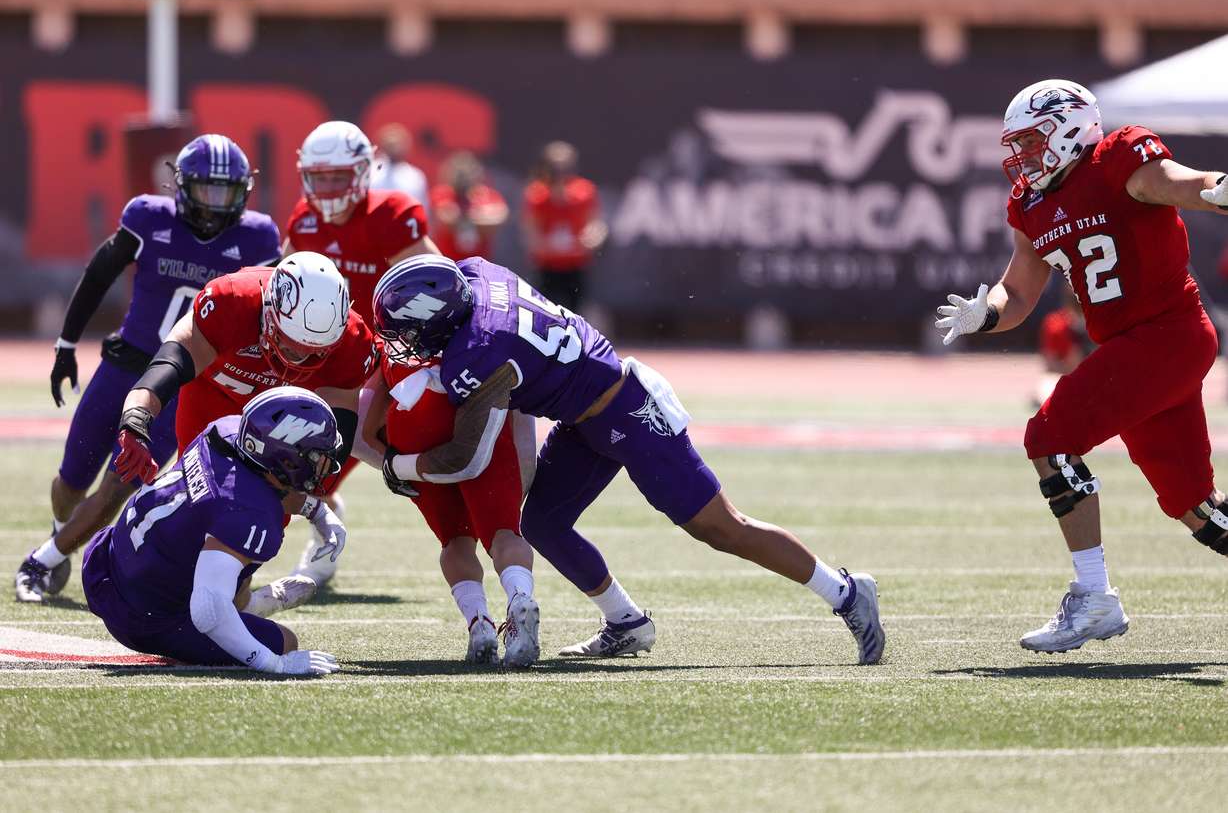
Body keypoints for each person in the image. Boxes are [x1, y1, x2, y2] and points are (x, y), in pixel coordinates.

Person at [372, 255, 885, 664]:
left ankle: (844, 590)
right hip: (582, 414)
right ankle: (627, 622)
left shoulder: (477, 352)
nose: (405, 346)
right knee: (544, 524)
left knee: (722, 527)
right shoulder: (478, 273)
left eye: (408, 332)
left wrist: (399, 467)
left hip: (629, 411)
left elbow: (466, 455)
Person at [935, 79, 1228, 654]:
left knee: (1049, 436)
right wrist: (985, 314)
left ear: (1070, 127)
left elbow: (1175, 183)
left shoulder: (1119, 158)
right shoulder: (1031, 203)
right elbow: (1017, 291)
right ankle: (1097, 597)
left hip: (1166, 334)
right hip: (1133, 349)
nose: (1024, 158)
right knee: (1195, 509)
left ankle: (1094, 598)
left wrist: (1215, 187)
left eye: (1033, 142)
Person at [16, 134, 280, 603]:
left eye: (226, 192)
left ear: (244, 192)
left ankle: (42, 560)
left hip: (182, 378)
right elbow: (99, 273)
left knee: (120, 484)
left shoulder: (257, 237)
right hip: (125, 365)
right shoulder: (148, 217)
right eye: (207, 190)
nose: (216, 204)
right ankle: (63, 530)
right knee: (73, 478)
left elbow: (274, 313)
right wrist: (65, 344)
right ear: (181, 186)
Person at [35, 252, 372, 618]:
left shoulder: (353, 342)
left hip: (283, 417)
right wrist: (136, 419)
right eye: (291, 344)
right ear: (271, 310)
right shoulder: (232, 300)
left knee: (259, 519)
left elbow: (337, 429)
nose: (297, 361)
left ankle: (244, 600)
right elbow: (167, 364)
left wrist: (312, 496)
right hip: (214, 396)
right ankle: (225, 604)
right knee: (199, 509)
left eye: (313, 353)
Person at [81, 387, 343, 674]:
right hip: (141, 615)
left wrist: (316, 511)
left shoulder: (227, 432)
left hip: (106, 560)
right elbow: (208, 611)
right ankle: (248, 609)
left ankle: (247, 606)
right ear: (286, 456)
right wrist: (274, 663)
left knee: (221, 550)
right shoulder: (248, 511)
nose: (323, 466)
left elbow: (265, 481)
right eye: (316, 457)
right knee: (284, 641)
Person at [286, 120, 441, 582]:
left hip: (388, 355)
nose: (329, 187)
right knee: (297, 454)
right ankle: (325, 511)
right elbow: (281, 282)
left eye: (339, 176)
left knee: (360, 443)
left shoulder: (391, 214)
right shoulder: (304, 219)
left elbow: (437, 282)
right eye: (321, 176)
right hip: (323, 353)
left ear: (362, 171)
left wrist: (405, 351)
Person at [360, 342, 539, 666]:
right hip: (484, 443)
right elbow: (520, 413)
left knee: (455, 542)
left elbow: (367, 428)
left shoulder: (394, 348)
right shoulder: (485, 335)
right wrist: (521, 479)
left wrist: (394, 464)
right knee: (504, 535)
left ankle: (479, 624)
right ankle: (519, 597)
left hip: (417, 449)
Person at [521, 142, 606, 312]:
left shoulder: (584, 191)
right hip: (547, 268)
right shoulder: (536, 194)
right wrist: (550, 246)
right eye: (555, 168)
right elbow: (531, 234)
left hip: (576, 267)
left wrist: (592, 238)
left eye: (564, 168)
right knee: (544, 315)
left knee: (577, 315)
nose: (560, 173)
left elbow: (596, 225)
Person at [430, 151, 508, 262]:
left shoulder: (487, 195)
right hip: (447, 260)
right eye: (460, 174)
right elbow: (445, 220)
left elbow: (498, 218)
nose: (464, 179)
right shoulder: (442, 193)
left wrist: (465, 217)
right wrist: (479, 217)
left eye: (467, 173)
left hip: (480, 262)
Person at [1033, 287, 1089, 406]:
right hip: (1063, 377)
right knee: (1047, 389)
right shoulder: (1055, 324)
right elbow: (1050, 365)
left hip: (1094, 378)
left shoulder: (1102, 324)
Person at [370, 123, 431, 215]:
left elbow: (422, 208)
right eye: (390, 143)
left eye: (397, 144)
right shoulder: (371, 170)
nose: (394, 148)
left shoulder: (415, 176)